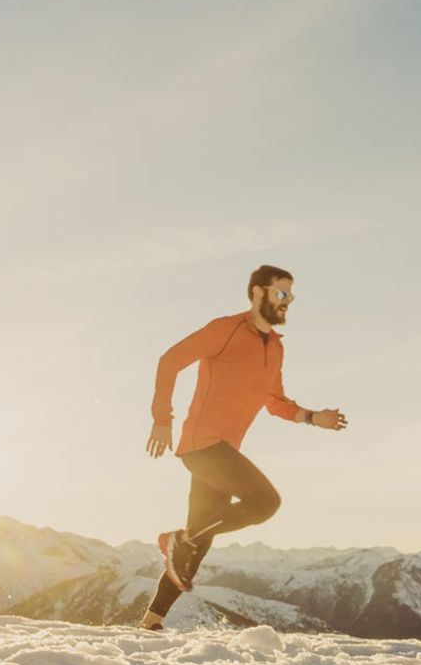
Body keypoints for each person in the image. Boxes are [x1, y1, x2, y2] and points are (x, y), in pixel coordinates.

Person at [139, 264, 347, 630]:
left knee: (196, 545)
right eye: (281, 293)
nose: (288, 301)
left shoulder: (275, 348)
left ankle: (151, 621)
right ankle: (178, 540)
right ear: (257, 293)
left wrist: (315, 417)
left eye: (291, 295)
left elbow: (275, 402)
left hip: (223, 450)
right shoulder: (225, 329)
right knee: (265, 502)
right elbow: (169, 361)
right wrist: (162, 419)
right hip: (202, 445)